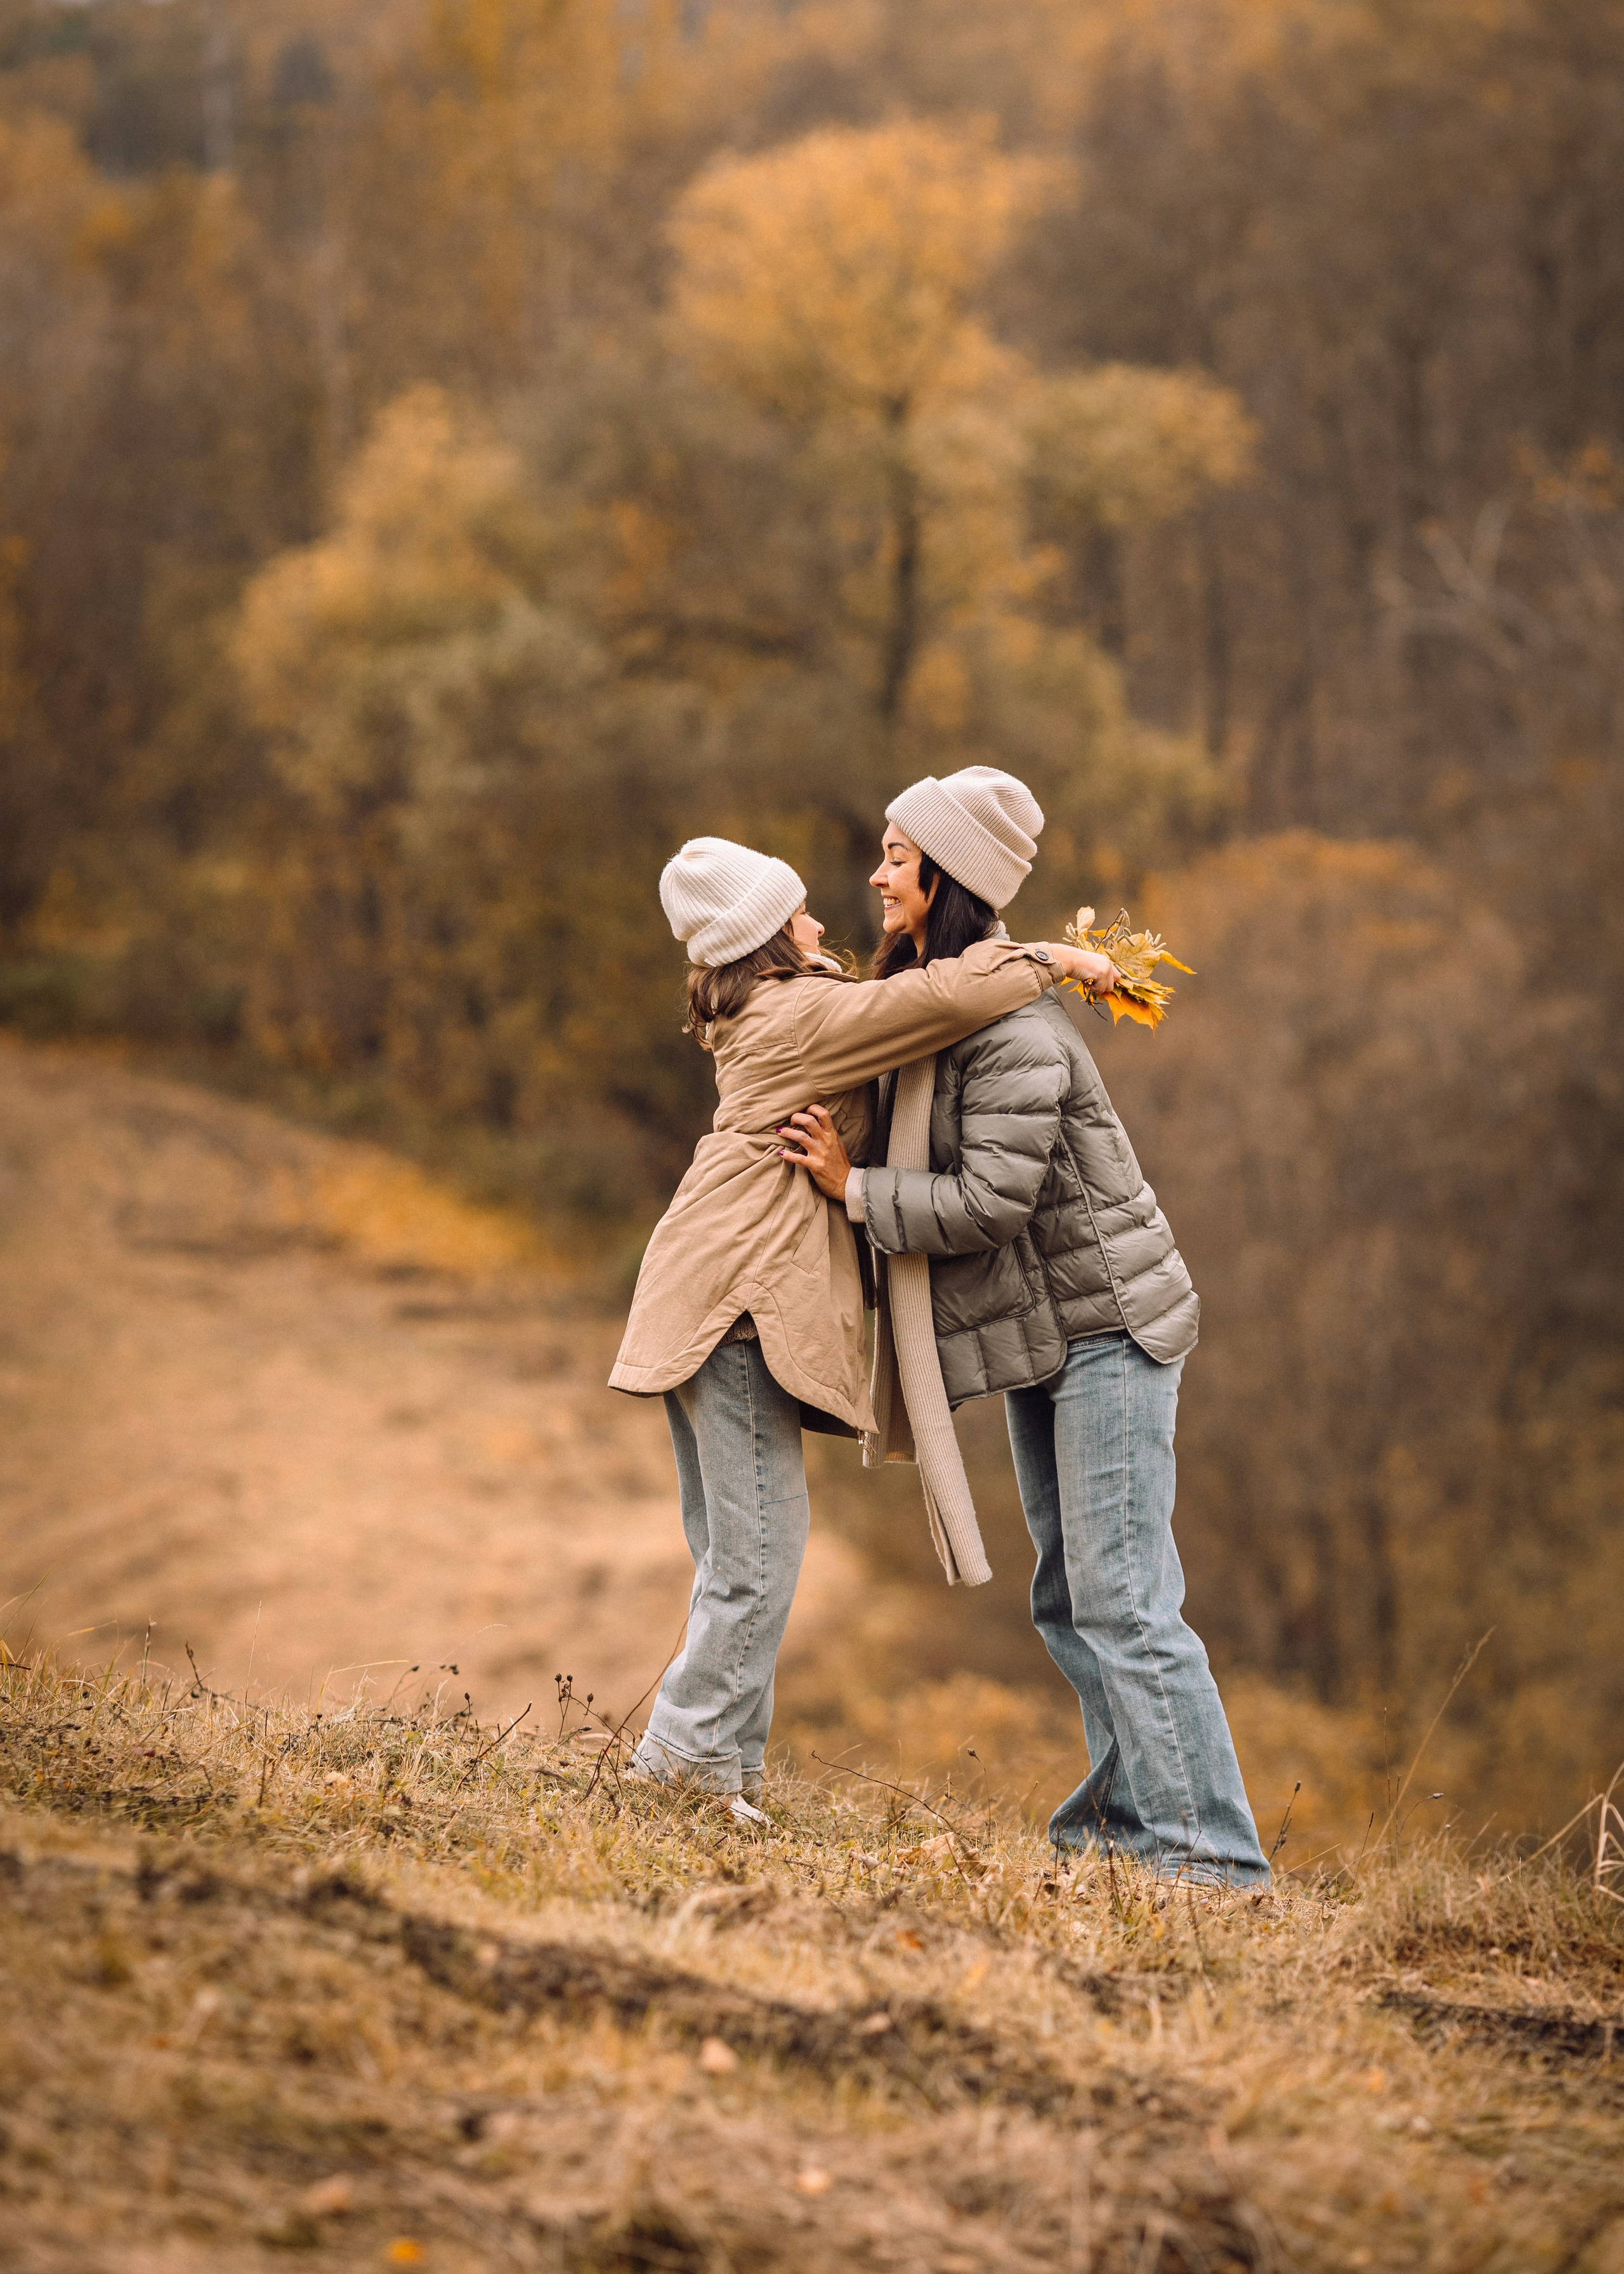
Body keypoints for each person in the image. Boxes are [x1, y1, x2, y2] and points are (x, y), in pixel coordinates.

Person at [782, 768, 1269, 1884]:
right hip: (1053, 1340)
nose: (876, 874)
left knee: (1126, 1602)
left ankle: (1215, 1862)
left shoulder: (1015, 1036)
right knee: (1070, 1600)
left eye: (898, 857)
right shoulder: (956, 1005)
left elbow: (986, 1205)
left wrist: (855, 1190)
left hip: (1110, 1334)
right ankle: (1122, 1835)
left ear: (947, 876)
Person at [608, 833, 1114, 1814]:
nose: (819, 921)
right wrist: (1056, 958)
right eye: (797, 914)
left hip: (708, 1289)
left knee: (738, 1554)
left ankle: (717, 1779)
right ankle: (676, 1771)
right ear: (767, 940)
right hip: (738, 1304)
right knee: (758, 1558)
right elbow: (934, 1002)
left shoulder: (777, 1008)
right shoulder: (799, 1014)